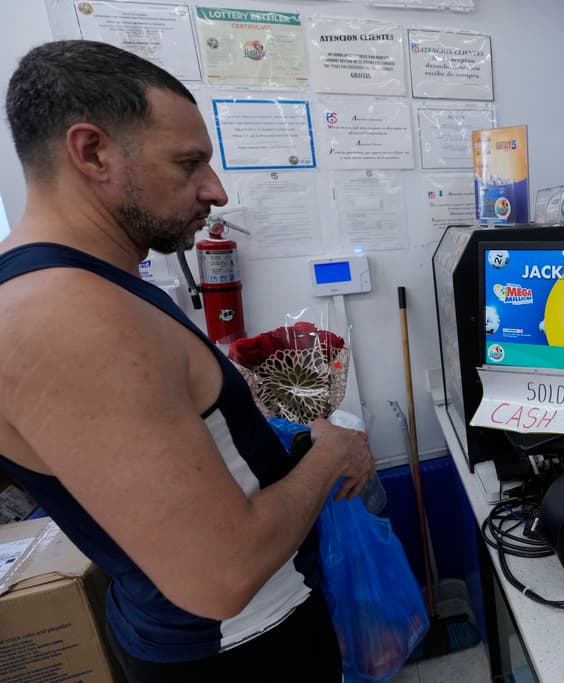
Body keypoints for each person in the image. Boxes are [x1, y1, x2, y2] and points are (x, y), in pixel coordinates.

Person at [0, 41, 375, 681]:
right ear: (91, 153)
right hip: (235, 649)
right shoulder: (66, 316)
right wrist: (333, 456)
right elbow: (222, 574)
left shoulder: (84, 286)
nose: (216, 190)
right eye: (189, 164)